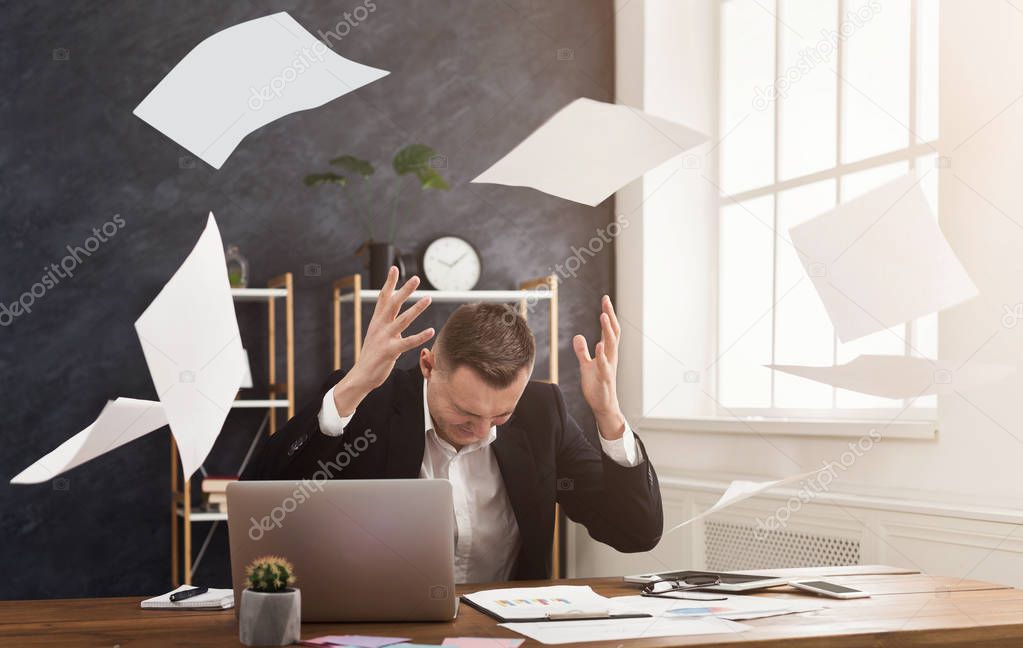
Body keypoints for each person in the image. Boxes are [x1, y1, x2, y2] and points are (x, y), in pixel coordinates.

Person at [243, 267, 662, 583]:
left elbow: (635, 533)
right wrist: (352, 386)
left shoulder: (541, 411)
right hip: (387, 629)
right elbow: (266, 500)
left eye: (500, 416)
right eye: (465, 413)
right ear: (427, 365)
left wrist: (608, 415)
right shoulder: (370, 400)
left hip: (507, 630)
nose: (482, 431)